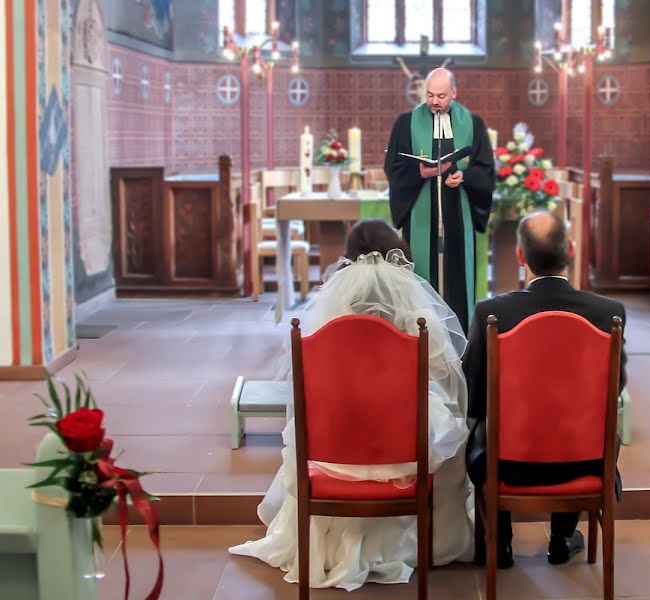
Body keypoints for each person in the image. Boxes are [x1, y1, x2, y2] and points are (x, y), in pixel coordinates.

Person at [230, 220, 474, 590]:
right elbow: (444, 372)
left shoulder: (326, 321)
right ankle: (424, 542)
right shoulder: (415, 313)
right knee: (447, 426)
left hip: (337, 442)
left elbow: (309, 383)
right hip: (402, 444)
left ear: (349, 258)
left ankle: (331, 542)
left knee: (308, 428)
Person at [463, 211, 628, 568]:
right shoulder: (608, 312)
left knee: (484, 423)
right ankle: (562, 537)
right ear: (569, 249)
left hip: (507, 463)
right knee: (580, 422)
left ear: (520, 256)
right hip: (585, 461)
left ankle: (501, 543)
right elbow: (617, 387)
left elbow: (474, 393)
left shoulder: (491, 312)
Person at [384, 67, 495, 330]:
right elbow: (393, 166)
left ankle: (461, 337)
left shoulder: (473, 123)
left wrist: (464, 176)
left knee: (459, 277)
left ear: (454, 93)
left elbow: (486, 168)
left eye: (442, 96)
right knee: (421, 274)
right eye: (430, 95)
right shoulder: (405, 123)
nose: (435, 101)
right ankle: (423, 336)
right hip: (421, 213)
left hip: (460, 213)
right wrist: (418, 172)